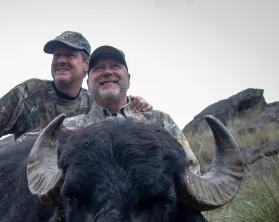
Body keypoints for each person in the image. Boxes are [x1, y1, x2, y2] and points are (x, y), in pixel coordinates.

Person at [0, 31, 152, 153]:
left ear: (86, 65)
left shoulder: (95, 104)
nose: (61, 60)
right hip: (22, 188)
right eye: (57, 55)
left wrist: (134, 104)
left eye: (69, 55)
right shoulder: (29, 93)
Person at [63, 45, 201, 175]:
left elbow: (191, 172)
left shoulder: (159, 120)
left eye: (115, 66)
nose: (107, 72)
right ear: (88, 83)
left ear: (128, 79)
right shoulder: (68, 128)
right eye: (99, 68)